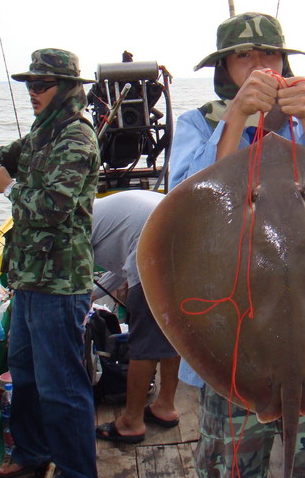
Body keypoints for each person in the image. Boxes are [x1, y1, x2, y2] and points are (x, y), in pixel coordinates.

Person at [170, 12, 305, 477]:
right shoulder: (196, 125)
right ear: (223, 68)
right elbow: (185, 213)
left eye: (267, 53)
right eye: (242, 56)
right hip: (232, 339)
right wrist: (235, 121)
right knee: (228, 466)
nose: (256, 64)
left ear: (284, 61)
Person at [0, 48, 100, 478]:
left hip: (61, 284)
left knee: (62, 388)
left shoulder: (77, 136)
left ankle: (77, 472)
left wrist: (9, 188)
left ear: (66, 89)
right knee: (25, 375)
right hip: (29, 277)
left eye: (41, 85)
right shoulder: (41, 135)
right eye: (29, 84)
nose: (32, 92)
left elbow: (54, 206)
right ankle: (31, 454)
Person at [90, 189, 181, 443]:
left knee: (142, 344)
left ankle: (131, 422)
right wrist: (94, 294)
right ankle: (165, 406)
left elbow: (72, 272)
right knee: (173, 332)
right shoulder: (108, 209)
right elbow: (122, 263)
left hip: (154, 251)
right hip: (183, 247)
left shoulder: (78, 222)